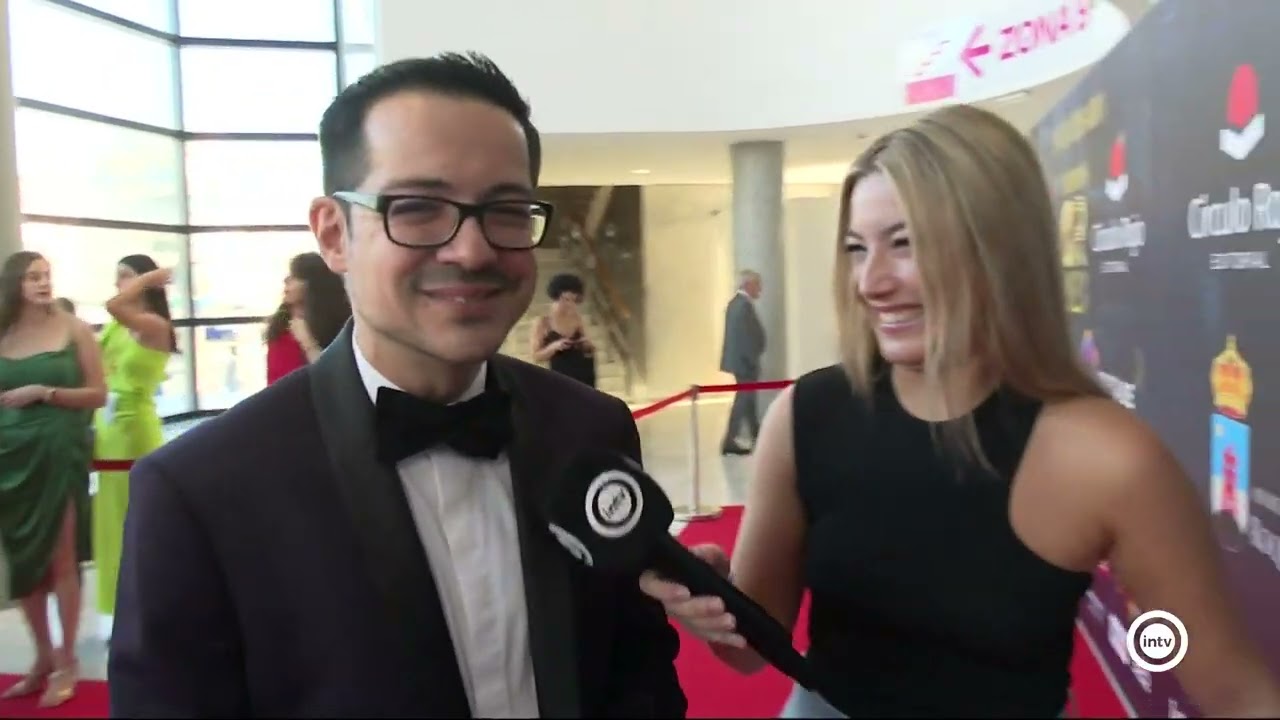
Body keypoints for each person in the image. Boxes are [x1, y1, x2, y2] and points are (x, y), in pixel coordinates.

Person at [640, 104, 1280, 717]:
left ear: (996, 248)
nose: (871, 282)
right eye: (857, 248)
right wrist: (709, 600)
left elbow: (1233, 690)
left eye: (905, 243)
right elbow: (750, 653)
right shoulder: (806, 417)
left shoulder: (1109, 458)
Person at [108, 53, 686, 718]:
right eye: (416, 208)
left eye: (505, 211)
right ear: (334, 235)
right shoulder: (202, 492)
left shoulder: (590, 428)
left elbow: (637, 678)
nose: (472, 250)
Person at [0, 251, 106, 708]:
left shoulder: (74, 329)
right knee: (24, 559)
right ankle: (42, 656)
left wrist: (44, 392)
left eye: (46, 275)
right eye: (32, 277)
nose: (43, 283)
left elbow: (98, 394)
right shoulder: (3, 332)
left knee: (62, 559)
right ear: (15, 284)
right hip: (10, 454)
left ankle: (67, 660)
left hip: (59, 452)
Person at [93, 254, 176, 638]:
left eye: (125, 277)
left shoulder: (153, 325)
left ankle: (148, 607)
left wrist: (146, 281)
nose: (119, 285)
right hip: (107, 430)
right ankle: (117, 609)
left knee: (137, 523)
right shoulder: (115, 329)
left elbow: (114, 305)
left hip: (134, 431)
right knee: (110, 523)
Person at [265, 251, 351, 384]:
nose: (286, 280)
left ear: (313, 283)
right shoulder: (280, 326)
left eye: (295, 276)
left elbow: (337, 381)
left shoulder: (340, 329)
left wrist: (309, 344)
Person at [719, 269, 764, 455]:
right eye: (757, 285)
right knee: (743, 400)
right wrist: (751, 360)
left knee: (749, 401)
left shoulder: (736, 304)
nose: (760, 290)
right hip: (745, 364)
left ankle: (757, 435)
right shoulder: (743, 306)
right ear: (748, 285)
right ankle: (729, 440)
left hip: (743, 362)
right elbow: (745, 338)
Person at [530, 272, 597, 388]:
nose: (570, 304)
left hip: (584, 374)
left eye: (574, 300)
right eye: (566, 299)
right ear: (556, 297)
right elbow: (536, 356)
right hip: (561, 377)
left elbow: (591, 349)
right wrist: (554, 347)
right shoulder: (543, 322)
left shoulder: (577, 319)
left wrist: (586, 344)